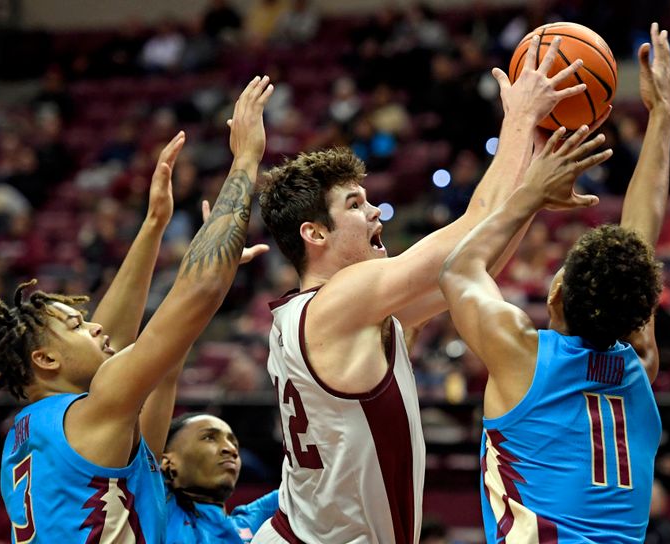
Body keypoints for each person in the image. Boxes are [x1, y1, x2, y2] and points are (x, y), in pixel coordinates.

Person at [252, 36, 590, 543]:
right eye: (355, 204)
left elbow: (472, 265)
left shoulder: (346, 316)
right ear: (314, 233)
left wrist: (531, 198)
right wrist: (519, 120)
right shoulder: (340, 301)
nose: (374, 212)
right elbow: (474, 225)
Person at [0, 76, 274, 542]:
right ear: (46, 359)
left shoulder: (32, 428)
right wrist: (245, 159)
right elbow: (199, 292)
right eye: (77, 324)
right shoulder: (94, 414)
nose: (95, 328)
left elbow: (110, 338)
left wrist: (153, 225)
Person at [438, 23, 670, 543]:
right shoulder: (639, 366)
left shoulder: (522, 355)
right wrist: (661, 117)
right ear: (638, 311)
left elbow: (457, 268)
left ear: (554, 297)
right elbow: (642, 239)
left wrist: (533, 194)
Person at [162, 413, 279, 543]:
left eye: (234, 444)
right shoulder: (160, 513)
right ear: (166, 462)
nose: (231, 449)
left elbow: (302, 481)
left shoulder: (252, 522)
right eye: (209, 438)